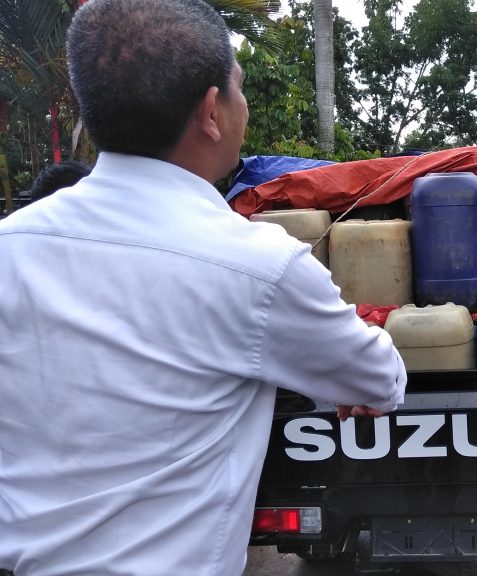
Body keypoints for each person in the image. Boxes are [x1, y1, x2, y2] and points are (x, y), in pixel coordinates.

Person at [0, 1, 407, 574]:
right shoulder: (258, 267)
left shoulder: (10, 248)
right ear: (212, 112)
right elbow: (381, 380)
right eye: (238, 89)